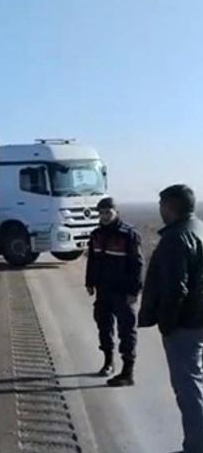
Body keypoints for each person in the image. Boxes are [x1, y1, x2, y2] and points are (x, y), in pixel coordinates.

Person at [140, 184, 203, 453]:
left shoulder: (177, 238)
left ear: (171, 206)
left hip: (185, 324)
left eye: (162, 204)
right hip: (197, 318)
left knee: (188, 386)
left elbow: (176, 288)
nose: (159, 209)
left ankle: (196, 446)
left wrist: (166, 324)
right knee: (195, 380)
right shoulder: (198, 229)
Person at [85, 197, 144, 386]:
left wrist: (134, 291)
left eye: (108, 212)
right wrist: (90, 282)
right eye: (101, 213)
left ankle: (128, 371)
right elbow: (92, 260)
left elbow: (137, 265)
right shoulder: (96, 235)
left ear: (116, 212)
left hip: (123, 292)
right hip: (104, 290)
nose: (104, 216)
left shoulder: (128, 235)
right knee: (104, 326)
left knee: (126, 331)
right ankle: (108, 361)